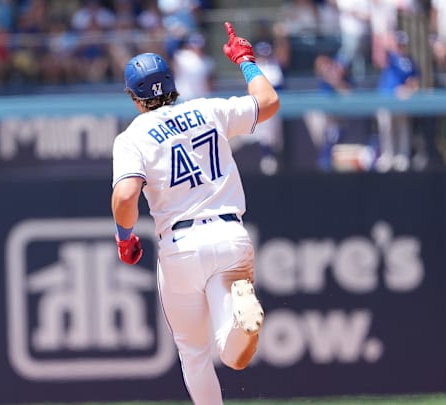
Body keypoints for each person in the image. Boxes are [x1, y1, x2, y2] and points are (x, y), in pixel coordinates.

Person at [111, 22, 279, 404]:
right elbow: (268, 103)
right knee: (233, 354)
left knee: (195, 354)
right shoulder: (208, 110)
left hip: (181, 244)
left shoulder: (132, 136)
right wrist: (247, 62)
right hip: (229, 235)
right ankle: (240, 319)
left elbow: (125, 196)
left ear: (134, 98)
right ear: (172, 83)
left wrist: (125, 238)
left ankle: (238, 324)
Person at [374, 31, 421, 172]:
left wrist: (408, 87)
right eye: (398, 43)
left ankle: (402, 156)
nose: (400, 46)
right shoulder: (391, 57)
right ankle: (387, 156)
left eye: (402, 44)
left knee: (402, 127)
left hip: (401, 100)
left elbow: (415, 81)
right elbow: (379, 55)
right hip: (385, 98)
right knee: (386, 128)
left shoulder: (410, 61)